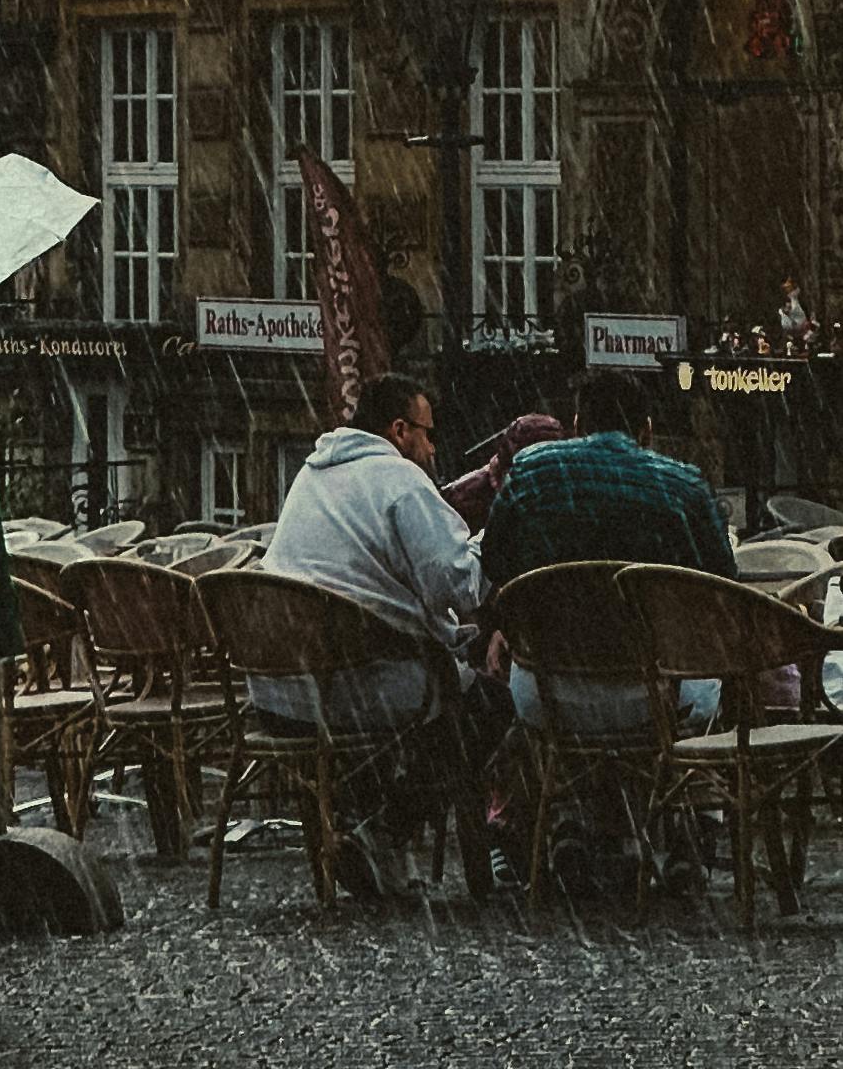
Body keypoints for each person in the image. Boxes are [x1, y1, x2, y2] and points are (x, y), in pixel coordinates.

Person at [256, 371, 503, 888]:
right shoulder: (401, 481)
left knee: (419, 684)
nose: (433, 448)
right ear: (399, 430)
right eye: (428, 434)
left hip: (280, 694)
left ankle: (368, 839)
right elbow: (457, 585)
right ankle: (386, 833)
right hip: (350, 686)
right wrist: (488, 541)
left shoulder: (312, 473)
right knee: (486, 709)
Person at [482, 367, 733, 740]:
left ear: (579, 424)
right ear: (646, 429)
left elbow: (495, 561)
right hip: (660, 697)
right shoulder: (685, 486)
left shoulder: (531, 471)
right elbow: (723, 583)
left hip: (547, 695)